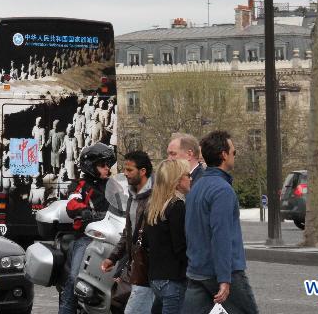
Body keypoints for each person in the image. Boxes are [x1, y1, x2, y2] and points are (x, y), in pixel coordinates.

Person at [182, 130, 259, 314]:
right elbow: (221, 235)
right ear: (224, 155)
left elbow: (190, 231)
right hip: (221, 272)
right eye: (234, 152)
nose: (234, 156)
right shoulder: (222, 190)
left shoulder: (196, 187)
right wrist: (224, 278)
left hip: (196, 271)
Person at [59, 143, 114, 314]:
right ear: (91, 166)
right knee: (76, 278)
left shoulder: (113, 185)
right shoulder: (81, 185)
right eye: (102, 165)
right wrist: (85, 211)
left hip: (110, 237)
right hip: (87, 238)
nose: (107, 169)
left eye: (108, 165)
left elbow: (125, 202)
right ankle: (66, 309)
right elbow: (72, 203)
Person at [101, 150, 154, 314]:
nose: (126, 174)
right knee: (117, 302)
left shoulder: (154, 197)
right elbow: (128, 232)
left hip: (148, 268)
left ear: (143, 171)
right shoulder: (132, 195)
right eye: (125, 170)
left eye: (130, 170)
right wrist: (112, 257)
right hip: (134, 264)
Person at [144, 158, 192, 314]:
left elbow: (146, 242)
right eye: (187, 175)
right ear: (176, 180)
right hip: (173, 279)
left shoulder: (153, 206)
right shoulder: (177, 205)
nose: (190, 178)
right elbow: (180, 247)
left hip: (155, 278)